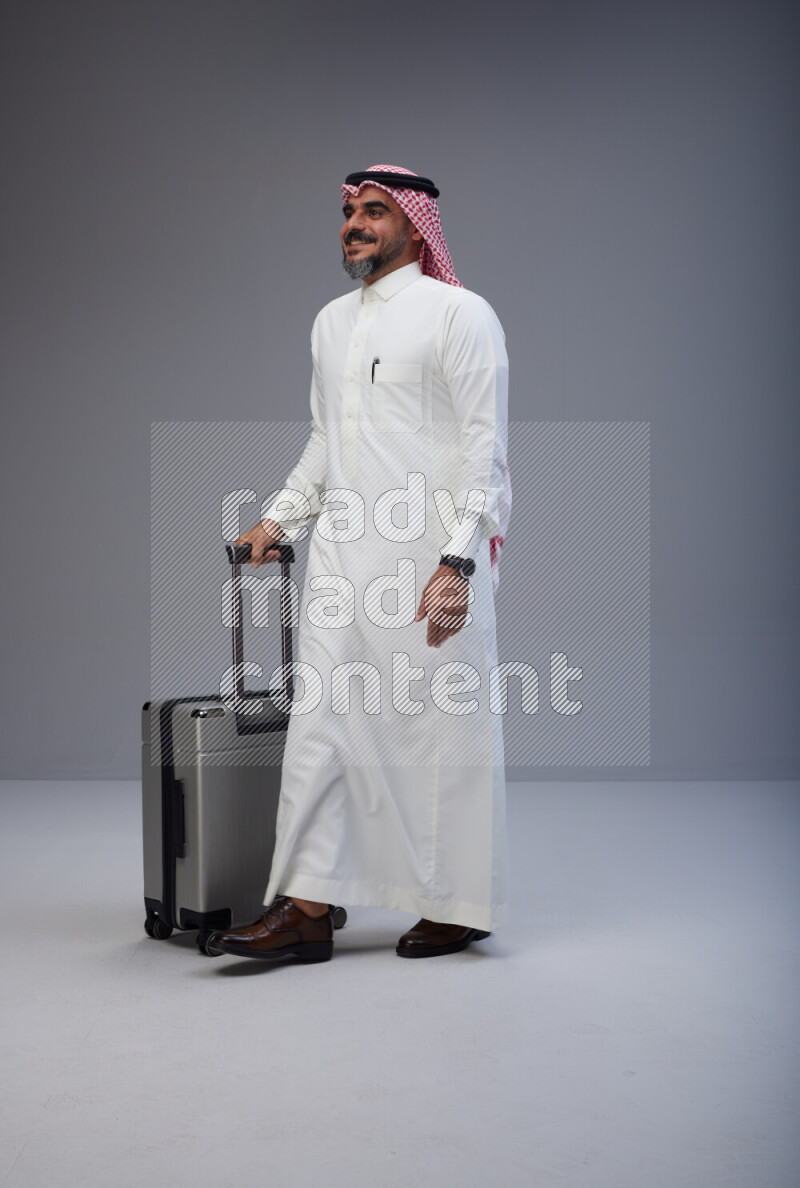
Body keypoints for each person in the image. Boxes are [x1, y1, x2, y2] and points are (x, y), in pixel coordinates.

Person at [207, 164, 512, 963]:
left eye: (375, 210)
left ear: (415, 225)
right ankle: (306, 906)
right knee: (322, 728)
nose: (355, 224)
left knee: (438, 735)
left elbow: (484, 451)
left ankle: (455, 905)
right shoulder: (331, 323)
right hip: (343, 563)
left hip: (429, 564)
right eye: (348, 211)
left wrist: (458, 562)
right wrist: (281, 516)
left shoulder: (460, 315)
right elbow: (327, 439)